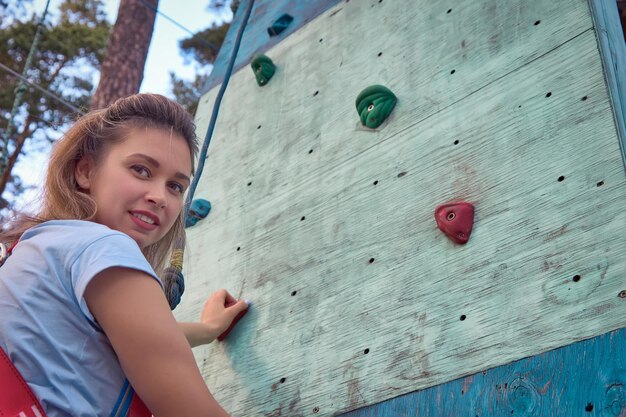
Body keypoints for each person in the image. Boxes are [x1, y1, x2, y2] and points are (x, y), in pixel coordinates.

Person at [0, 94, 249, 417]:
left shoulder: (35, 250)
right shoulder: (104, 247)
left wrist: (207, 329)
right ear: (86, 172)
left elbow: (113, 340)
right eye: (141, 170)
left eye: (176, 186)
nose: (160, 197)